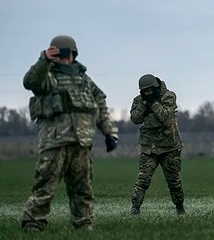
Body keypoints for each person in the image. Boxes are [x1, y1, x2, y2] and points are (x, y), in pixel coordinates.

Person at [20, 35, 119, 232]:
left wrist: (110, 132)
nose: (65, 58)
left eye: (67, 54)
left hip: (81, 143)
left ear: (74, 54)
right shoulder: (48, 77)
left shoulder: (85, 81)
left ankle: (83, 224)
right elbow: (30, 82)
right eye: (60, 54)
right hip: (54, 142)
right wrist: (44, 60)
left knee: (83, 188)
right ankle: (33, 223)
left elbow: (100, 105)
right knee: (45, 186)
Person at [128, 73, 185, 215]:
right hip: (149, 147)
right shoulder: (139, 100)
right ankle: (135, 207)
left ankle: (179, 206)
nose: (146, 93)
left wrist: (153, 103)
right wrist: (144, 103)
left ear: (154, 87)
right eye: (144, 91)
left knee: (174, 181)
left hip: (169, 146)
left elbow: (166, 117)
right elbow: (135, 119)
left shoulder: (169, 96)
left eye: (149, 90)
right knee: (143, 179)